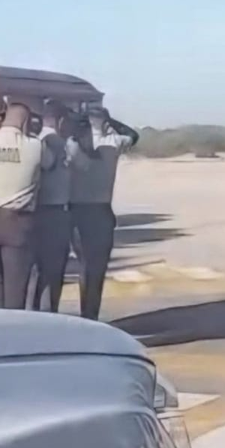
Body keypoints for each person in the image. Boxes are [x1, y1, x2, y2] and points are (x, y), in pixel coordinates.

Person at [0, 103, 55, 310]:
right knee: (16, 286)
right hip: (17, 223)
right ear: (25, 122)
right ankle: (13, 333)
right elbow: (50, 164)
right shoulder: (35, 146)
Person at [70, 106, 139, 320]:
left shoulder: (72, 146)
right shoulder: (114, 143)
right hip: (101, 211)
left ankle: (83, 313)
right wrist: (111, 122)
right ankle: (91, 313)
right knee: (97, 269)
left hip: (76, 211)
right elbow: (133, 135)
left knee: (83, 266)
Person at [31, 104, 86, 312]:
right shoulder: (58, 143)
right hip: (55, 212)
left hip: (37, 211)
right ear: (60, 120)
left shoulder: (36, 141)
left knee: (37, 271)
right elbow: (82, 166)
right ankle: (48, 313)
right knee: (53, 271)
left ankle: (36, 312)